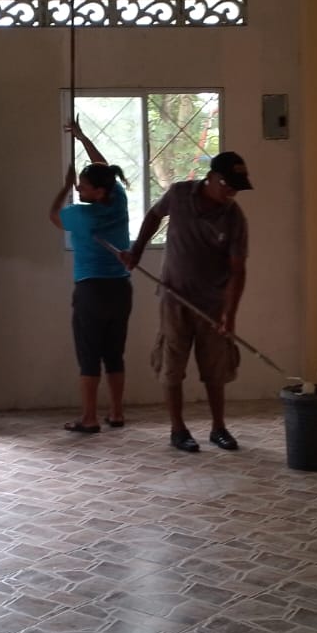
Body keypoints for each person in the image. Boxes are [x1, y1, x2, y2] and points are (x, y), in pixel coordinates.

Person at [121, 151, 252, 452]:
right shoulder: (179, 194)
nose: (232, 193)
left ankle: (218, 428)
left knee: (215, 369)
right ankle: (178, 430)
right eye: (228, 185)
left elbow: (237, 270)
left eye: (237, 188)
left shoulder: (234, 218)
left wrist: (229, 314)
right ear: (211, 178)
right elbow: (154, 215)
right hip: (174, 298)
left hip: (213, 304)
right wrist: (136, 251)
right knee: (172, 366)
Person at [49, 121, 133, 434]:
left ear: (98, 192)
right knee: (114, 355)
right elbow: (103, 168)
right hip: (121, 290)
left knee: (89, 356)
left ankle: (89, 418)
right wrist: (83, 138)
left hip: (91, 292)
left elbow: (53, 217)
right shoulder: (118, 199)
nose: (78, 189)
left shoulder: (82, 215)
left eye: (83, 186)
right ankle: (117, 413)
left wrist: (63, 186)